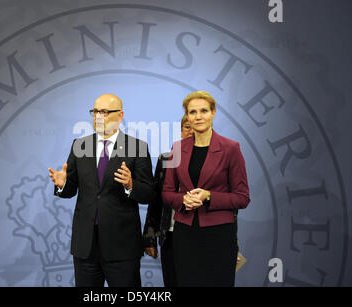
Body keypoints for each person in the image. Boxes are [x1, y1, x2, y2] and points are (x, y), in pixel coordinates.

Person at [48, 93, 154, 287]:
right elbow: (70, 190)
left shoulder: (137, 147)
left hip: (121, 246)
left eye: (104, 112)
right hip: (86, 246)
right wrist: (62, 184)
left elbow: (148, 194)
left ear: (120, 115)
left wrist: (131, 185)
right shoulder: (80, 145)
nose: (98, 117)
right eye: (95, 111)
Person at [162, 91, 250, 287]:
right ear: (188, 116)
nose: (198, 116)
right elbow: (166, 193)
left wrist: (208, 196)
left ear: (213, 113)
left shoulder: (231, 148)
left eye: (203, 111)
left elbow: (242, 198)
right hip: (184, 234)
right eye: (193, 112)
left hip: (219, 234)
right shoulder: (176, 148)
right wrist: (183, 200)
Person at [142, 114, 193, 287]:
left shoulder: (218, 158)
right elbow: (156, 200)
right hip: (171, 235)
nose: (191, 131)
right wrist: (149, 237)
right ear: (180, 130)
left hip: (203, 235)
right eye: (187, 127)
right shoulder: (166, 159)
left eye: (196, 127)